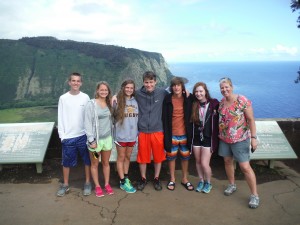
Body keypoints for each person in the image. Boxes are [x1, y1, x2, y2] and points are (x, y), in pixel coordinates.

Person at [218, 77, 259, 208]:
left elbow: (251, 119)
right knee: (227, 162)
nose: (224, 90)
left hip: (240, 139)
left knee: (245, 167)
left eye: (226, 87)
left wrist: (253, 138)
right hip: (224, 139)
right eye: (222, 88)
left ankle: (254, 195)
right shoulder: (222, 102)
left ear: (232, 87)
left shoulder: (242, 100)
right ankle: (232, 185)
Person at [57, 72, 91, 197]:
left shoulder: (85, 97)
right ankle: (65, 184)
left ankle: (87, 182)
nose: (76, 83)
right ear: (69, 82)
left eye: (78, 81)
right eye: (73, 80)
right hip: (68, 137)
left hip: (83, 135)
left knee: (87, 160)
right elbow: (60, 117)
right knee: (66, 162)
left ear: (81, 83)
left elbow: (89, 116)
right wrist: (62, 136)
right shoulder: (63, 98)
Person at [135, 71, 168, 191]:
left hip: (158, 130)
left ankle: (156, 178)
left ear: (155, 82)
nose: (149, 85)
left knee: (158, 157)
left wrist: (186, 93)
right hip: (143, 130)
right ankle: (143, 178)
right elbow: (125, 93)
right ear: (143, 82)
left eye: (151, 82)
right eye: (146, 82)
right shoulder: (137, 93)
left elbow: (176, 95)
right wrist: (114, 96)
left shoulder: (162, 92)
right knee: (142, 157)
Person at [162, 77, 194, 191]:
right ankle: (172, 179)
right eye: (174, 85)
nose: (176, 87)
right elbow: (164, 117)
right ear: (172, 87)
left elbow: (203, 98)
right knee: (171, 158)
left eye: (179, 85)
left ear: (182, 87)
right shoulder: (167, 98)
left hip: (185, 133)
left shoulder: (188, 98)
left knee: (185, 157)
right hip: (171, 134)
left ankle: (185, 178)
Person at [84, 81, 114, 197]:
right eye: (101, 90)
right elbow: (87, 123)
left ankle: (107, 184)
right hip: (96, 143)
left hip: (107, 140)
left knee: (106, 163)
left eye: (106, 90)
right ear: (97, 90)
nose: (103, 92)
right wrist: (91, 140)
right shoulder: (91, 104)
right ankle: (97, 186)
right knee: (95, 163)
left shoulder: (109, 103)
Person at [190, 82, 219, 193]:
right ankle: (201, 180)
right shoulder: (193, 104)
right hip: (196, 137)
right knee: (197, 161)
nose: (198, 93)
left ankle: (208, 182)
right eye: (196, 91)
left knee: (204, 163)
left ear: (206, 91)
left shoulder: (214, 103)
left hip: (208, 138)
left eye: (201, 91)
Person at [113, 79, 138, 193]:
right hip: (121, 135)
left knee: (128, 157)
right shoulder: (117, 100)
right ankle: (122, 181)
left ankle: (126, 177)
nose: (129, 90)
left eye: (131, 88)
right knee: (121, 158)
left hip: (132, 136)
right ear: (123, 88)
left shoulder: (136, 100)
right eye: (127, 87)